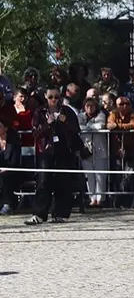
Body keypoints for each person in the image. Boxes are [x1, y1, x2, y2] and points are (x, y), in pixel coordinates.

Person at [25, 87, 86, 225]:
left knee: (63, 182)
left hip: (64, 151)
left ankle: (60, 213)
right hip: (46, 151)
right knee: (43, 182)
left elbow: (76, 130)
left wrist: (65, 121)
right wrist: (48, 123)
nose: (54, 100)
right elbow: (35, 133)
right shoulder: (39, 112)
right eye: (51, 97)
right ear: (46, 97)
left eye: (56, 97)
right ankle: (39, 214)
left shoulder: (67, 111)